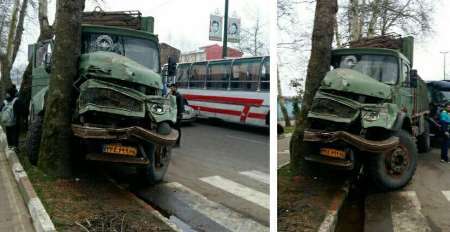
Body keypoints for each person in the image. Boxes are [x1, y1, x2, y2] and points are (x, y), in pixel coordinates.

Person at [0, 85, 21, 150]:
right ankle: (15, 146)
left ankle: (10, 145)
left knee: (8, 132)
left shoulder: (5, 101)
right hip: (15, 120)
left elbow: (0, 109)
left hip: (7, 120)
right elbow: (21, 110)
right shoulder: (16, 100)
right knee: (15, 133)